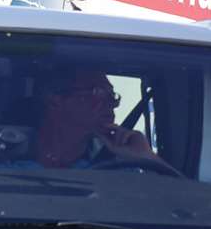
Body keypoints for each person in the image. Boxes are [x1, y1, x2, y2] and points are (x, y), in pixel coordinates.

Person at [30, 68, 162, 170]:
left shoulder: (120, 168)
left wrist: (147, 158)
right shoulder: (11, 155)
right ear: (55, 100)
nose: (111, 103)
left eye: (112, 96)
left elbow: (174, 199)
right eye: (98, 93)